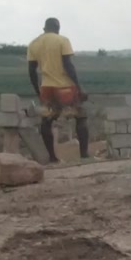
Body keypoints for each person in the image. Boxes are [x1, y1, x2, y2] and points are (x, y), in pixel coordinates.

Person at [26, 17, 88, 164]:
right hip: (65, 87)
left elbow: (31, 70)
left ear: (44, 28)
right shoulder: (62, 40)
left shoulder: (34, 44)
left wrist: (37, 90)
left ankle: (53, 158)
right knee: (80, 118)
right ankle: (84, 156)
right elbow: (68, 65)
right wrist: (79, 87)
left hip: (47, 87)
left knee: (46, 122)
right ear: (57, 28)